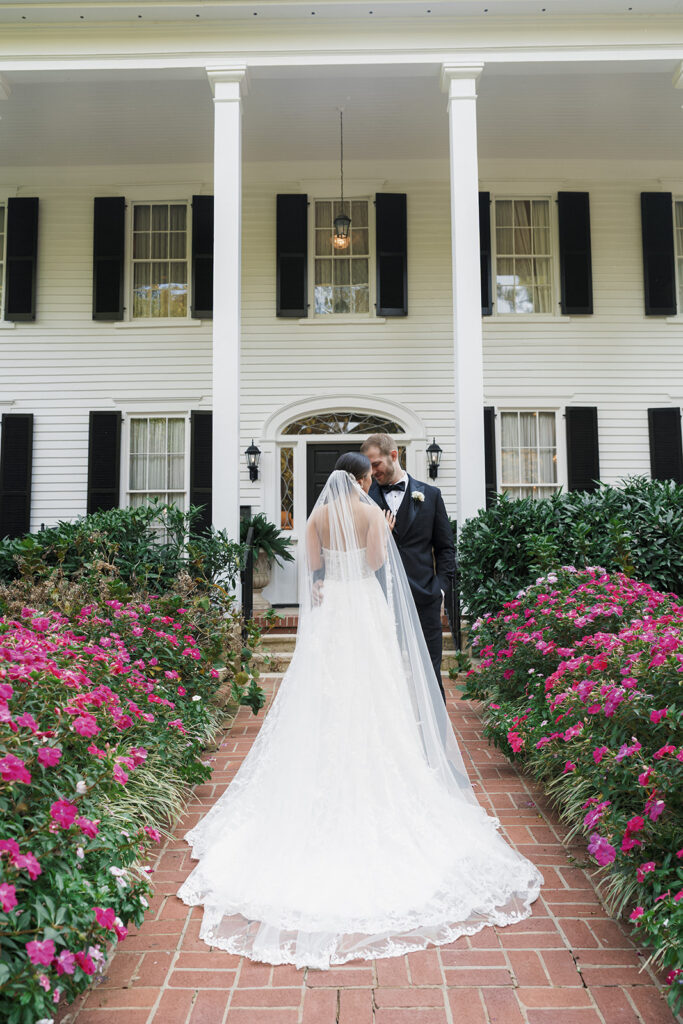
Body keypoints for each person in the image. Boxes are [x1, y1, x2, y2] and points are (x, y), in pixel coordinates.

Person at [177, 453, 543, 970]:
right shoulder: (373, 513)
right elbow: (374, 564)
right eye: (370, 476)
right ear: (363, 478)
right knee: (375, 687)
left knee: (326, 688)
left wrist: (322, 580)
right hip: (364, 607)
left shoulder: (317, 517)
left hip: (332, 610)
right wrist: (384, 532)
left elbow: (312, 565)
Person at [361, 433, 455, 701]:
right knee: (381, 676)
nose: (372, 472)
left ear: (394, 455)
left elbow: (446, 548)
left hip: (423, 599)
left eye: (376, 464)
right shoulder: (363, 499)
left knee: (428, 674)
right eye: (369, 467)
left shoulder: (431, 495)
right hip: (379, 599)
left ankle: (434, 727)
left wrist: (440, 589)